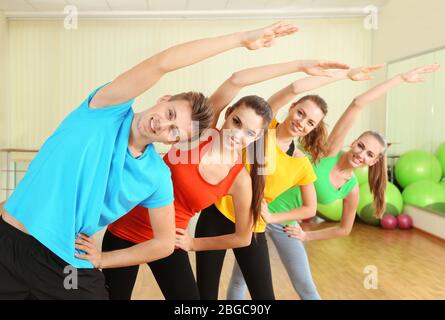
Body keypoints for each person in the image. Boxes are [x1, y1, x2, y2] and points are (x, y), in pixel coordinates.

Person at [0, 21, 298, 300]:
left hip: (65, 263)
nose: (162, 125)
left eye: (175, 131)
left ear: (177, 142)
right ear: (163, 99)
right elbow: (162, 63)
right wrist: (241, 39)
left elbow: (165, 243)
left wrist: (103, 259)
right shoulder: (106, 108)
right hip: (10, 242)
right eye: (170, 114)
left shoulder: (157, 175)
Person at [226, 63, 440, 300]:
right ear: (353, 142)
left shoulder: (351, 190)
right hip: (256, 213)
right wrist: (401, 77)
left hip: (284, 224)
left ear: (374, 161)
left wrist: (307, 236)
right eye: (361, 146)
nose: (361, 154)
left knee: (306, 288)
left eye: (370, 154)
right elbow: (358, 103)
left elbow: (344, 229)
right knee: (240, 281)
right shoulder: (326, 154)